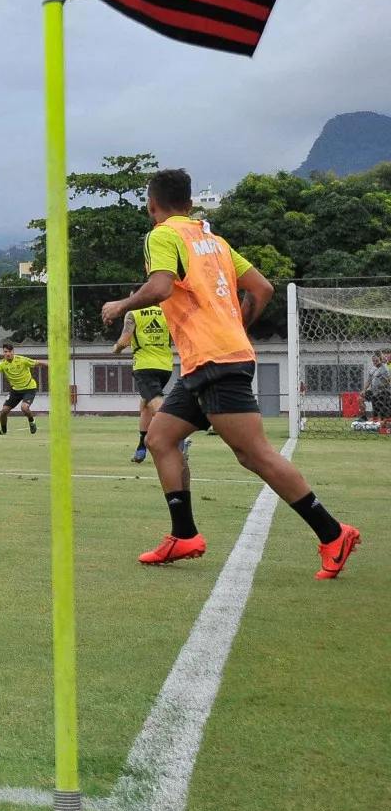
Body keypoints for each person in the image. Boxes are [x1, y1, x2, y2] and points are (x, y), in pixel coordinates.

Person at [102, 167, 359, 578]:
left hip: (214, 361)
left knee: (254, 454)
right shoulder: (215, 242)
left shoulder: (163, 235)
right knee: (160, 438)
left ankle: (333, 533)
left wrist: (121, 305)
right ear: (190, 203)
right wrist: (234, 328)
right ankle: (184, 534)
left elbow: (161, 287)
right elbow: (263, 288)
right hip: (205, 362)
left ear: (153, 205)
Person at [113, 303, 174, 462]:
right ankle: (141, 448)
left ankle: (178, 437)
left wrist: (116, 349)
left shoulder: (133, 313)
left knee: (155, 405)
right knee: (145, 406)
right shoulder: (167, 311)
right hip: (166, 366)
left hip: (145, 366)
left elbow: (124, 342)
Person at [0, 344, 39, 435]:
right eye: (5, 352)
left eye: (10, 351)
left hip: (29, 388)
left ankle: (32, 421)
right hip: (15, 390)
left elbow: (38, 363)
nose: (8, 354)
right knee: (3, 412)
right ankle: (3, 431)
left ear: (13, 352)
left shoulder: (22, 360)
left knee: (24, 408)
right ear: (3, 353)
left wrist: (51, 366)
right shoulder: (2, 364)